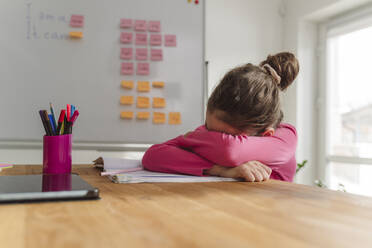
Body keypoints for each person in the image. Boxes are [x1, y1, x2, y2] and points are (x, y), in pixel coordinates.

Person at [142, 52, 299, 182]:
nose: (209, 135)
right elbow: (153, 156)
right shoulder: (219, 126)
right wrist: (220, 170)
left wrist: (195, 139)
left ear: (265, 134)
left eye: (223, 136)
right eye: (208, 129)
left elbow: (230, 150)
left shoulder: (285, 139)